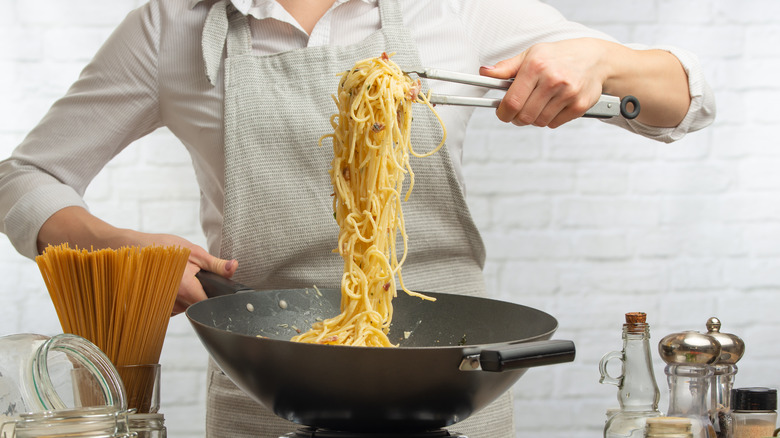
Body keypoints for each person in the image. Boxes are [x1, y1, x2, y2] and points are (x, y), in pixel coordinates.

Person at [0, 0, 715, 437]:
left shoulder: (454, 8)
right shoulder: (172, 26)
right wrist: (125, 248)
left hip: (456, 385)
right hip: (268, 394)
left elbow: (689, 101)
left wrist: (601, 59)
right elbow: (24, 177)